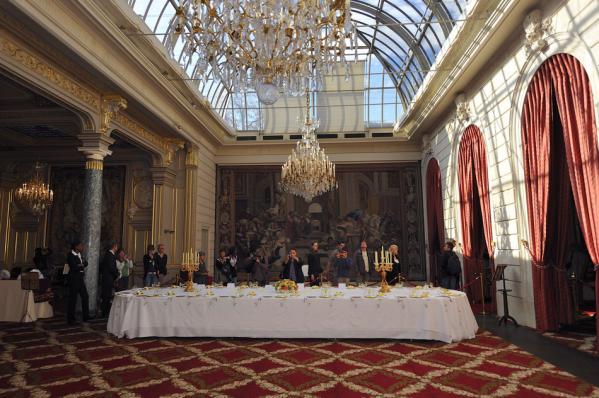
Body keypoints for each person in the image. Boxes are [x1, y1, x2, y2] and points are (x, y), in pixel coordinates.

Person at [66, 240, 90, 324]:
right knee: (73, 299)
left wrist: (80, 265)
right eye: (80, 245)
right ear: (76, 247)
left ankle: (86, 316)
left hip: (80, 279)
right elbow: (74, 267)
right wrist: (81, 265)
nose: (82, 247)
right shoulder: (70, 255)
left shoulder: (80, 255)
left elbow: (86, 263)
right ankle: (71, 319)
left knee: (85, 296)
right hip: (73, 279)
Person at [100, 243, 119, 318]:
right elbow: (111, 268)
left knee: (107, 296)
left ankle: (105, 312)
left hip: (107, 278)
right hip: (108, 279)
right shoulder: (110, 255)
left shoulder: (108, 254)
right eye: (116, 247)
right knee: (106, 296)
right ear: (114, 246)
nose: (117, 248)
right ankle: (104, 312)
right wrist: (117, 274)